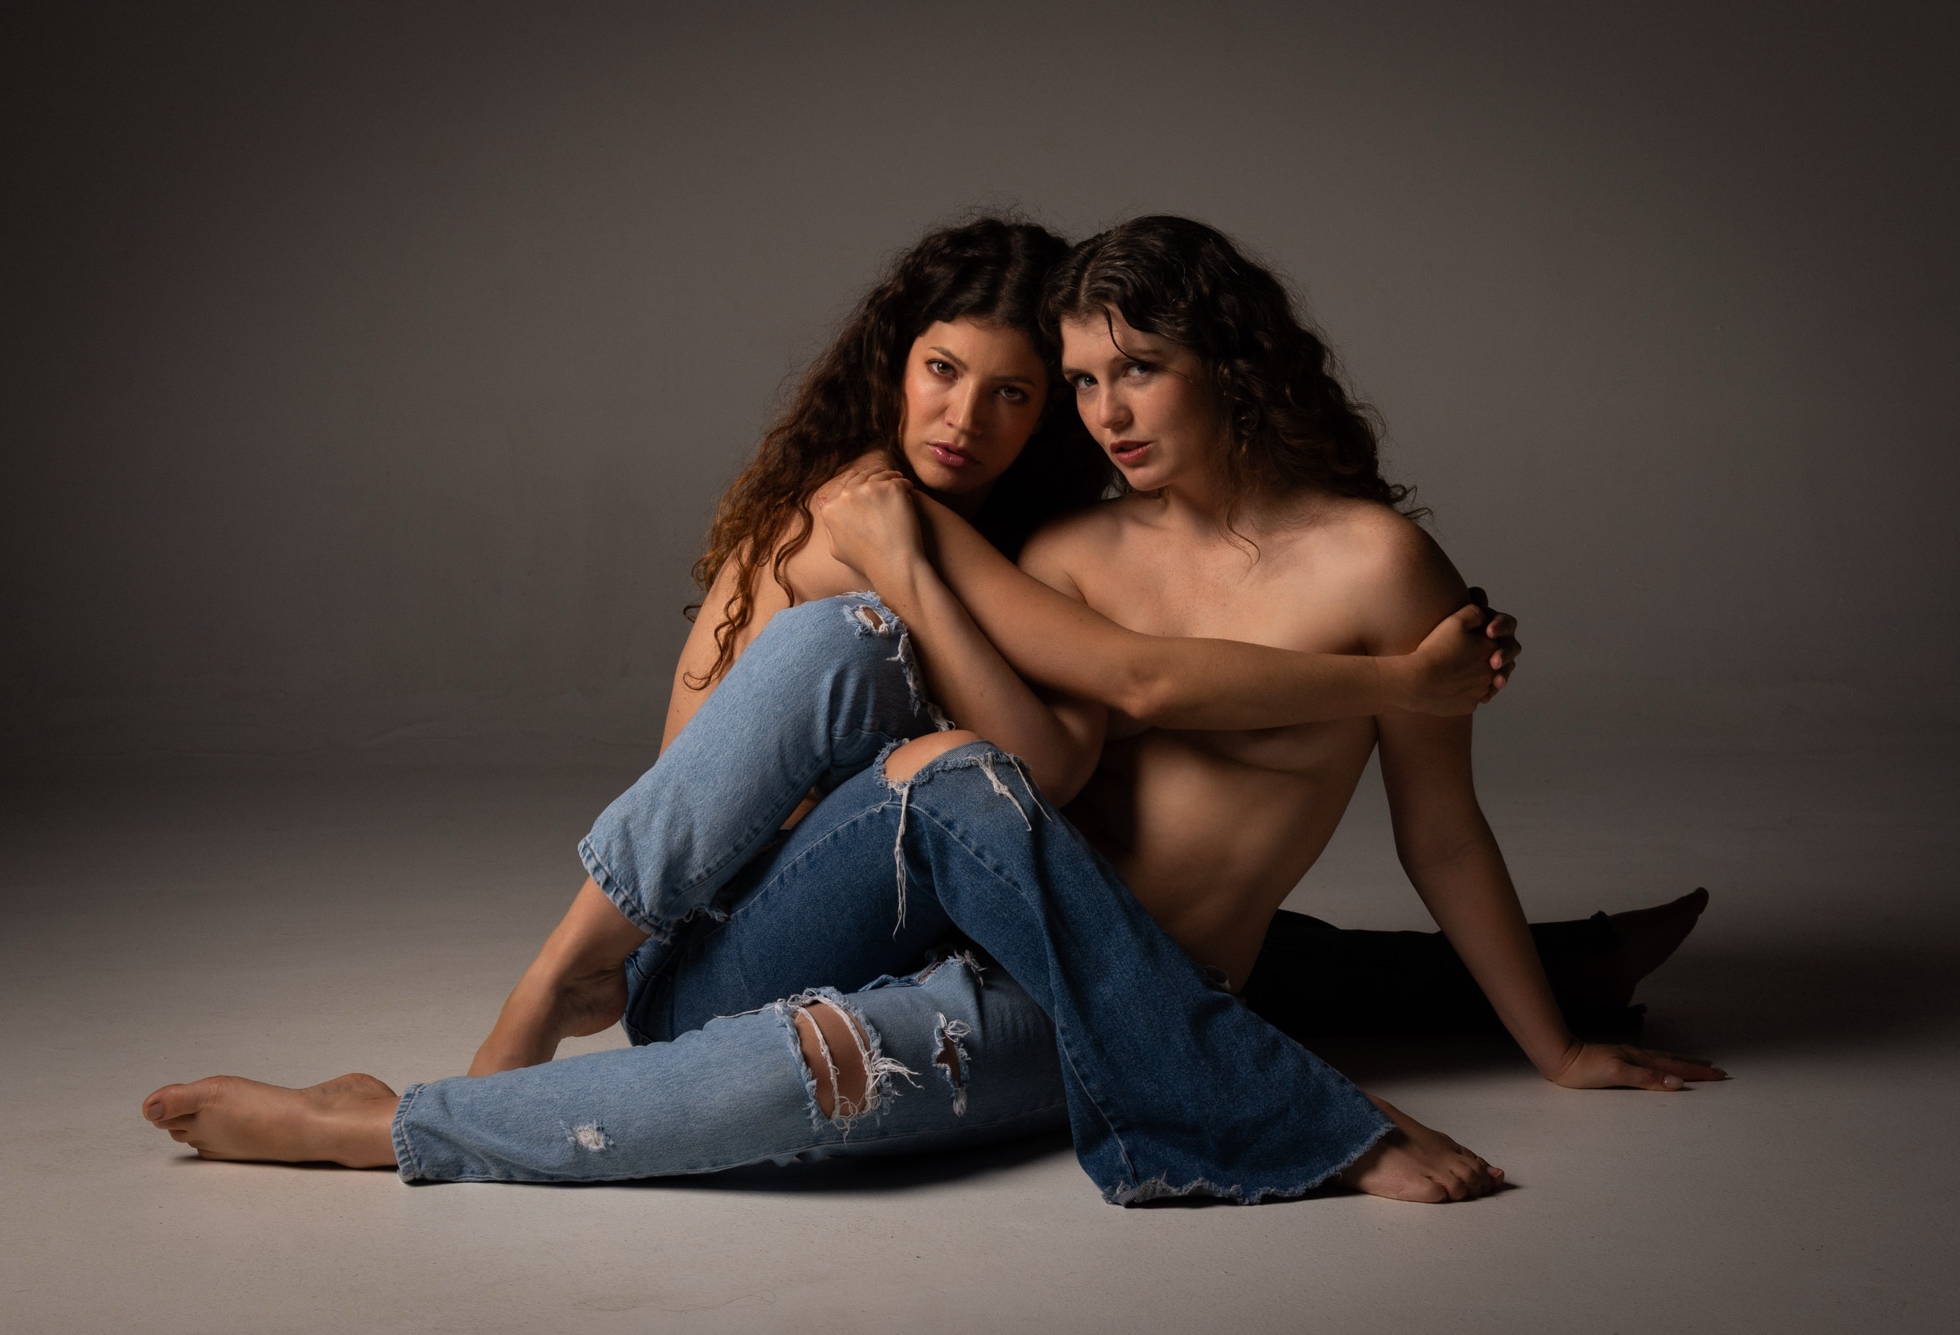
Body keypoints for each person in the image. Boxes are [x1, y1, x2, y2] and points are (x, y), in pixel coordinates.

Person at [143, 217, 1715, 1204]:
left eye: (1129, 373)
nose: (1103, 411)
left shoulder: (1377, 566)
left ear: (1229, 366)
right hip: (864, 919)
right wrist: (901, 588)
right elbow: (1106, 709)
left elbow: (1442, 834)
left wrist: (1556, 1048)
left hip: (1085, 982)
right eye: (1082, 382)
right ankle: (551, 988)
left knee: (825, 1066)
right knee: (890, 689)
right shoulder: (1072, 552)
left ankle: (392, 1124)